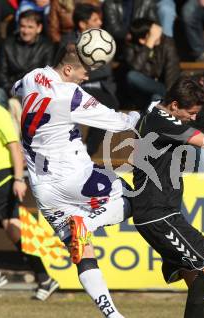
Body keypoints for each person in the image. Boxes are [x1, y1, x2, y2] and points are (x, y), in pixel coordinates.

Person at [12, 43, 140, 317]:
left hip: (42, 188)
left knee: (82, 250)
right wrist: (137, 115)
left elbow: (15, 90)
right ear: (68, 69)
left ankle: (112, 315)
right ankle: (89, 222)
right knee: (134, 199)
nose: (86, 78)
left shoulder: (32, 77)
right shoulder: (70, 94)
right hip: (74, 176)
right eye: (84, 73)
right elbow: (119, 124)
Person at [132, 75, 204, 317]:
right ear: (174, 105)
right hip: (158, 215)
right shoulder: (162, 121)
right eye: (191, 113)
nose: (193, 118)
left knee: (198, 287)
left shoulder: (153, 115)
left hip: (161, 213)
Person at [0, 72, 59, 301]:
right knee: (14, 229)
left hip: (2, 176)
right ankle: (45, 279)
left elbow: (14, 146)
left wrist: (18, 178)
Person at [72, 3, 120, 156]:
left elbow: (105, 69)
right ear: (82, 24)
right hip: (77, 87)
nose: (100, 23)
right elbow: (69, 70)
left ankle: (88, 150)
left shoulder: (102, 40)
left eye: (100, 19)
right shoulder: (68, 41)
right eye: (95, 19)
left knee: (111, 108)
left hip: (101, 88)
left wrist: (82, 66)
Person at [0, 10, 54, 109]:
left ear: (39, 28)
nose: (25, 31)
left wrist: (30, 92)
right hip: (11, 89)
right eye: (23, 26)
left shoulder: (47, 46)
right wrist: (13, 91)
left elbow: (47, 74)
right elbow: (1, 72)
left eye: (30, 27)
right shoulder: (7, 44)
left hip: (36, 91)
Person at [123, 18, 180, 109]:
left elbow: (172, 74)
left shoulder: (167, 44)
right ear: (142, 40)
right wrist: (149, 45)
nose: (158, 35)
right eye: (153, 34)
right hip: (142, 92)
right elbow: (134, 69)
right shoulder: (131, 46)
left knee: (157, 97)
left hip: (163, 88)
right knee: (132, 75)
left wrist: (170, 96)